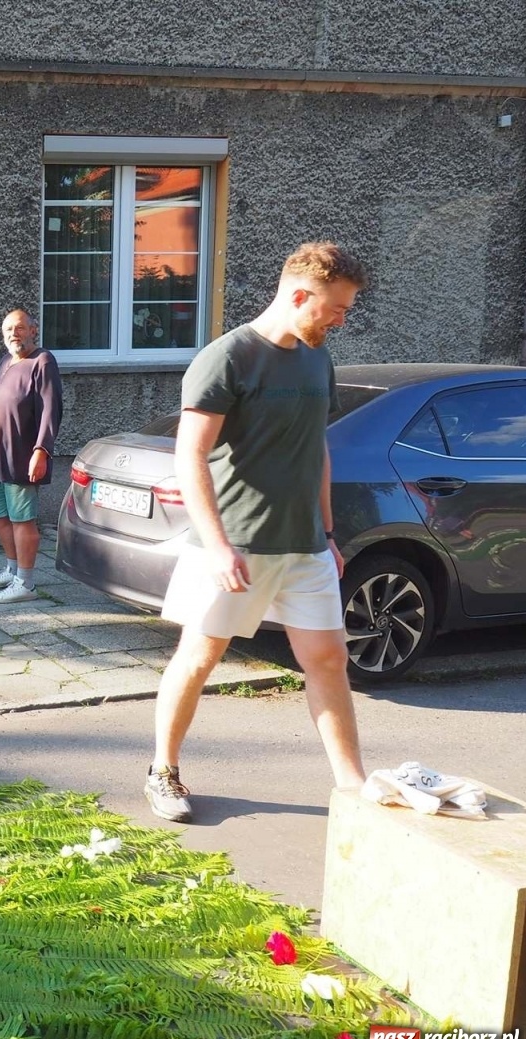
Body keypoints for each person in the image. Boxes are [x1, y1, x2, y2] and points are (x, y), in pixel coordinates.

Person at [145, 241, 369, 823]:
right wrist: (218, 544)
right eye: (336, 308)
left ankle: (353, 787)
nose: (341, 320)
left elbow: (316, 448)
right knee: (199, 657)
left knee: (328, 661)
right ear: (299, 295)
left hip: (305, 546)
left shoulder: (317, 359)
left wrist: (327, 532)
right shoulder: (228, 358)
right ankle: (163, 771)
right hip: (234, 545)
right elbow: (190, 455)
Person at [0, 309, 63, 604]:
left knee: (22, 519)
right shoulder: (6, 362)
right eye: (8, 329)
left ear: (33, 330)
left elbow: (50, 410)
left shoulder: (42, 361)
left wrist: (41, 450)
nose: (13, 334)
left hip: (21, 454)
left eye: (19, 328)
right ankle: (11, 569)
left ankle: (26, 583)